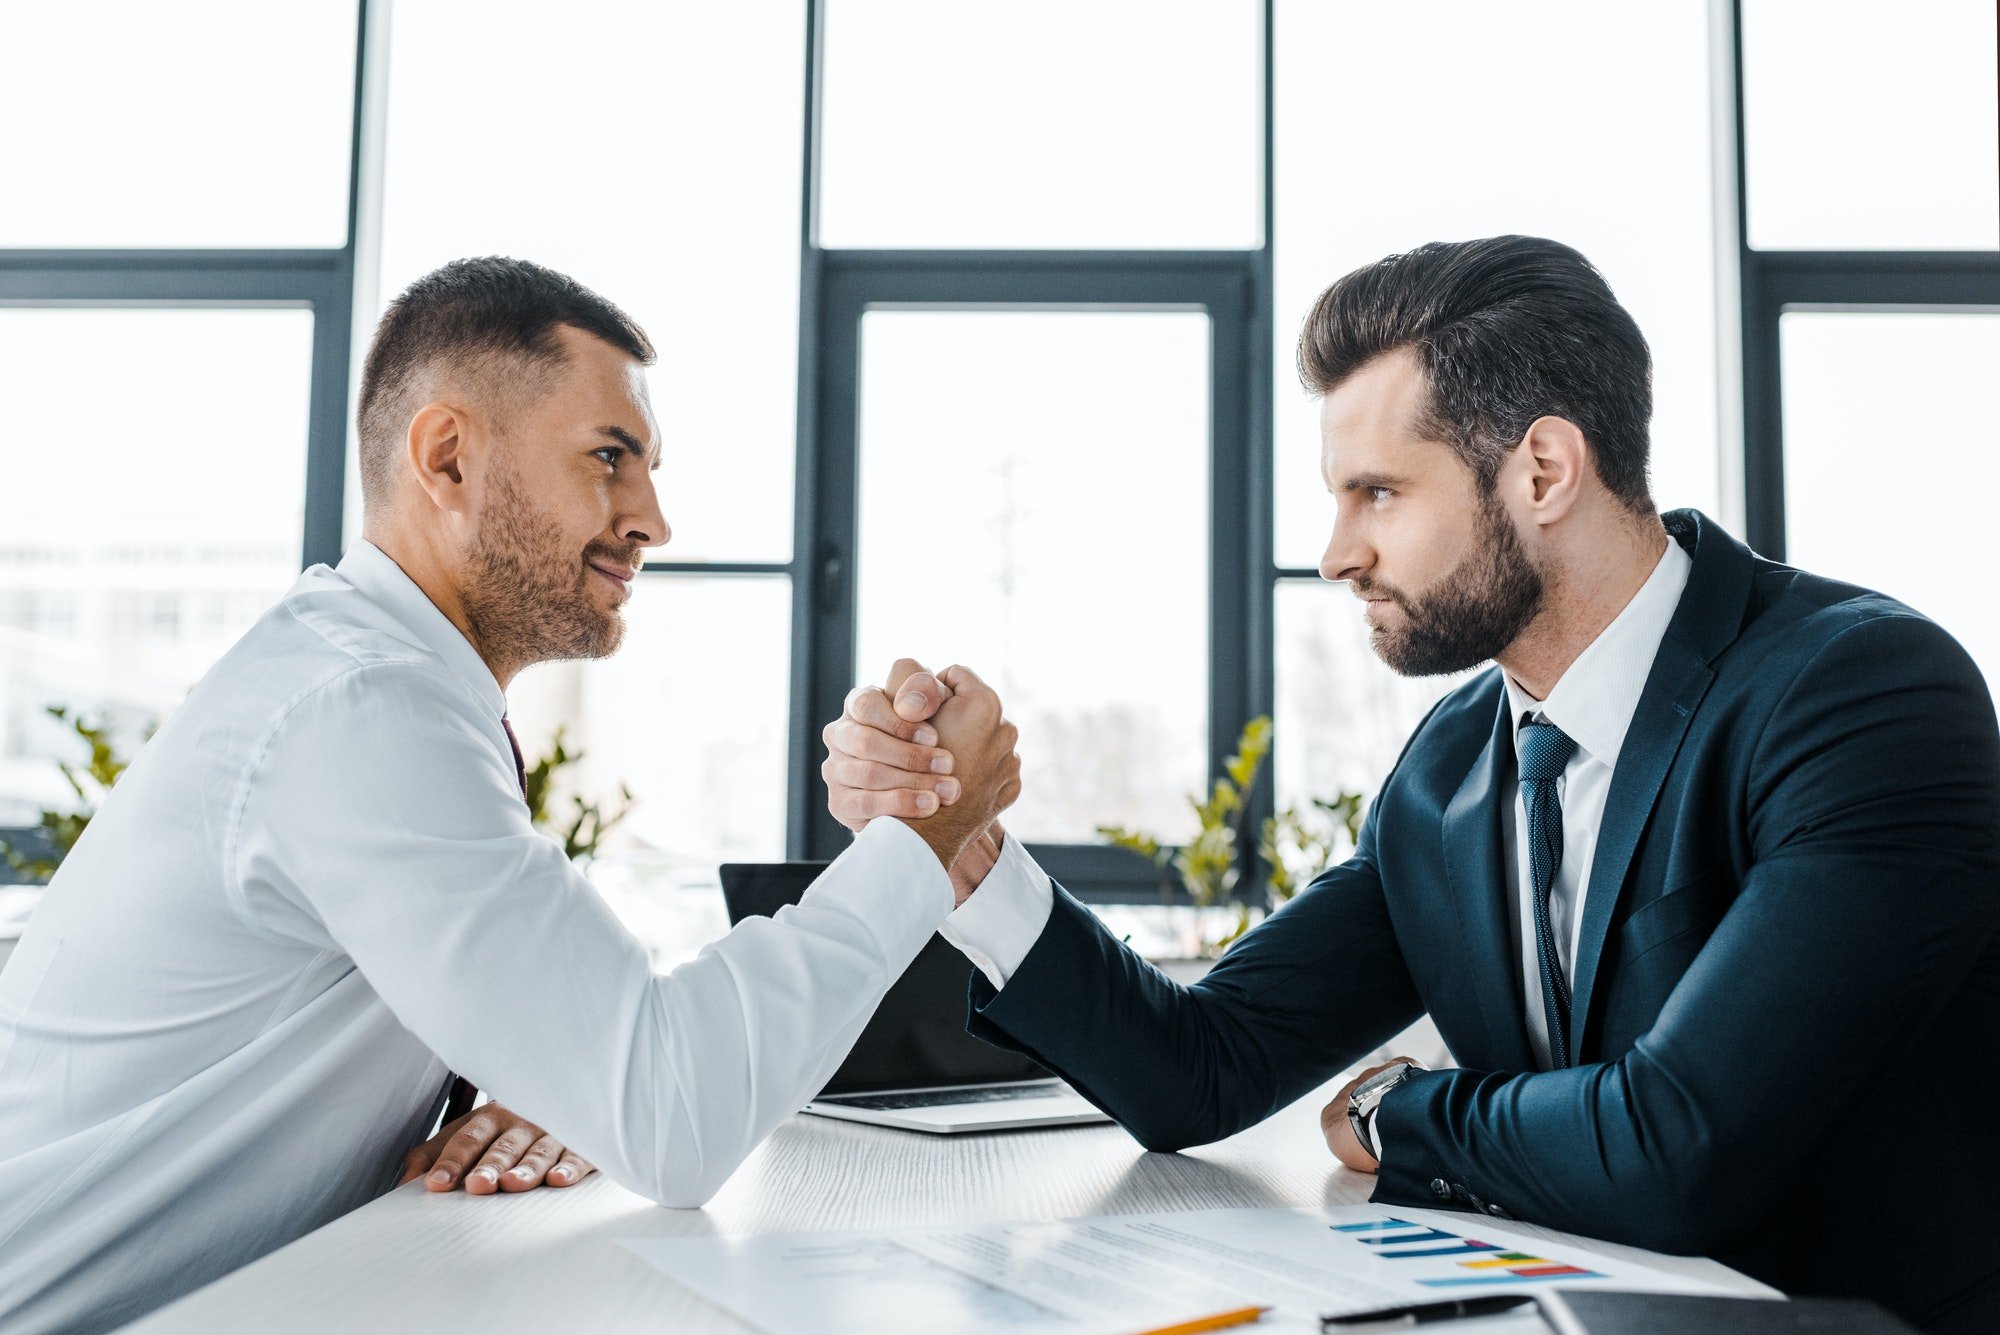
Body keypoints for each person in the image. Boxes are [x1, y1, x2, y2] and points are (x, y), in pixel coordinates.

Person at [822, 237, 2000, 1333]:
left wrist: (1400, 1113)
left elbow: (1675, 1150)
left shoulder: (1861, 696)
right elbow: (1201, 1066)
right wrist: (965, 847)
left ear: (1541, 469)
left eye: (1376, 494)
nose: (1336, 551)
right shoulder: (1449, 768)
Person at [0, 257, 1020, 1335]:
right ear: (446, 457)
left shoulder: (374, 683)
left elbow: (618, 1071)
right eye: (609, 459)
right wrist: (919, 842)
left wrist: (568, 1073)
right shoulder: (360, 710)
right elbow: (671, 1114)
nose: (653, 521)